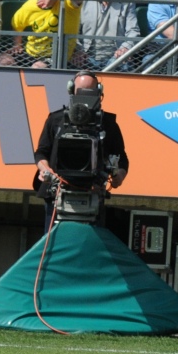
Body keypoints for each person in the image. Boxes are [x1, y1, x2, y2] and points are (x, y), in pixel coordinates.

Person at [33, 71, 128, 233]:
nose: (85, 96)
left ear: (98, 91)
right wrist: (44, 169)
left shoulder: (109, 124)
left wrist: (119, 174)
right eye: (80, 91)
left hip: (93, 192)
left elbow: (122, 158)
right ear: (71, 91)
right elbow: (41, 152)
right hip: (58, 191)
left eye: (89, 92)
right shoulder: (55, 119)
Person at [0, 0, 85, 68]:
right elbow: (17, 25)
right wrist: (17, 44)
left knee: (37, 67)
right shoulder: (31, 4)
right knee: (3, 60)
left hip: (55, 57)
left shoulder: (68, 4)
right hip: (31, 53)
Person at [75, 0, 141, 71]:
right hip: (87, 57)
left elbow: (133, 31)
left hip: (116, 57)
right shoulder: (82, 1)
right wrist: (77, 50)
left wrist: (125, 48)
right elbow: (73, 32)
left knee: (124, 63)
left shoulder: (127, 2)